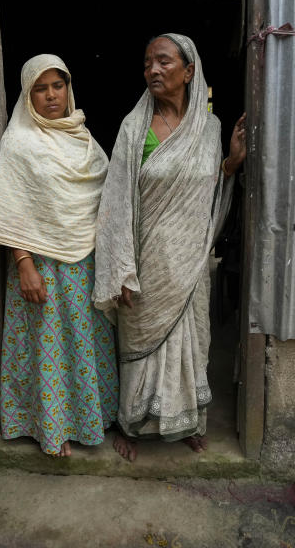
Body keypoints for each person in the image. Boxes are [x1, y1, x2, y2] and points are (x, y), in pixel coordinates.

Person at [93, 34, 246, 461]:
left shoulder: (210, 128)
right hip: (144, 261)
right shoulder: (133, 127)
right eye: (147, 64)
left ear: (189, 70)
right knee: (138, 342)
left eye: (163, 61)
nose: (154, 70)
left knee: (191, 341)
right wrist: (121, 266)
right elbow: (117, 201)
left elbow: (205, 194)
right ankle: (131, 424)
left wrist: (230, 164)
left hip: (189, 263)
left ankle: (189, 422)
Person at [0, 54, 118, 457]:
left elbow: (105, 198)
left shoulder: (83, 138)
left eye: (58, 86)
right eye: (41, 88)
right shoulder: (20, 142)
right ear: (28, 94)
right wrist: (23, 265)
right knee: (47, 348)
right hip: (41, 264)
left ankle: (91, 421)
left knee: (86, 343)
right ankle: (52, 429)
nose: (51, 95)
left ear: (68, 89)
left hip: (85, 261)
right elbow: (10, 207)